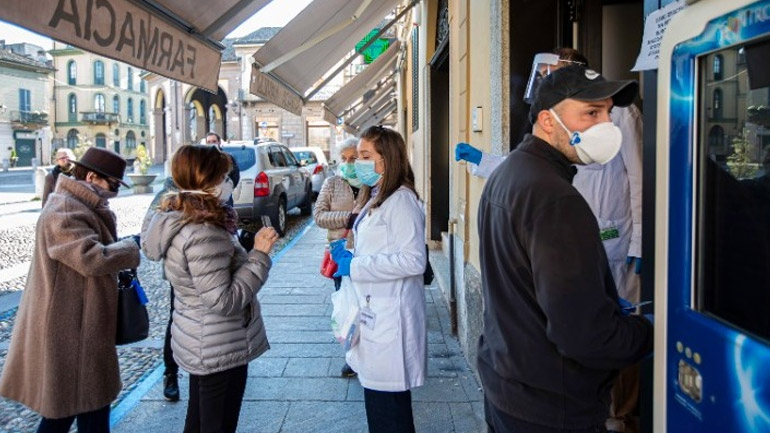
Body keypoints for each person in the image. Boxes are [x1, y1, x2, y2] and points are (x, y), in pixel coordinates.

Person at [458, 48, 644, 432]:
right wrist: (650, 330)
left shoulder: (512, 175)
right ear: (547, 120)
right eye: (591, 114)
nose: (606, 125)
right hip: (550, 406)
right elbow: (584, 336)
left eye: (608, 113)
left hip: (509, 385)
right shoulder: (556, 199)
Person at [0, 147, 140, 433]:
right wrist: (132, 247)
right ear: (91, 177)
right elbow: (91, 258)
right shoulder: (65, 209)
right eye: (112, 184)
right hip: (68, 328)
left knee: (81, 407)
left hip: (81, 324)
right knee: (69, 409)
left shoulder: (81, 204)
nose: (114, 192)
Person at [142, 144, 278, 433]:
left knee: (200, 420)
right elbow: (224, 300)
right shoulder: (204, 231)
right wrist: (260, 255)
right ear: (210, 181)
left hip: (200, 336)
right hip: (218, 343)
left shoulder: (182, 219)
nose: (229, 182)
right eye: (225, 176)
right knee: (217, 423)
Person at [330, 125, 427, 433]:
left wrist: (356, 265)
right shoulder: (378, 196)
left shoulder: (401, 201)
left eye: (364, 155)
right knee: (381, 410)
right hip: (376, 314)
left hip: (391, 320)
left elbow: (414, 260)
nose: (357, 162)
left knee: (390, 416)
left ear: (386, 159)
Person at [314, 137, 361, 377]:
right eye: (344, 159)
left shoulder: (370, 181)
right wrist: (348, 218)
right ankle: (351, 356)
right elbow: (319, 216)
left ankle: (365, 352)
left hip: (366, 253)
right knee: (346, 305)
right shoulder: (332, 183)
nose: (349, 163)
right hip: (341, 253)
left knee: (366, 304)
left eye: (354, 158)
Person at [205, 132, 240, 207]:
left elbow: (235, 175)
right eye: (209, 142)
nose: (211, 144)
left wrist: (227, 187)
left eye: (214, 141)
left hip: (224, 197)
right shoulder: (202, 158)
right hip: (207, 196)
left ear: (219, 142)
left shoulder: (226, 157)